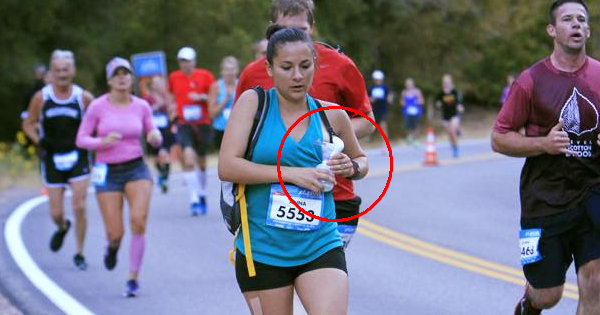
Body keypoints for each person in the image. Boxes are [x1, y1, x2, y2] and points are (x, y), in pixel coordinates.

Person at [220, 25, 368, 315]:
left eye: (305, 65)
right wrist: (291, 174)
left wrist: (350, 167)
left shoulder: (332, 115)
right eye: (286, 67)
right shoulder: (254, 104)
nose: (298, 76)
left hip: (320, 241)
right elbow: (227, 166)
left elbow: (361, 161)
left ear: (315, 62)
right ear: (269, 67)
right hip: (264, 246)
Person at [235, 0, 375, 249]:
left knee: (321, 278)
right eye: (282, 31)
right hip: (268, 198)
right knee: (282, 279)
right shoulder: (253, 74)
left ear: (312, 27)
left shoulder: (340, 65)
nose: (291, 38)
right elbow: (238, 142)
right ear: (271, 29)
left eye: (300, 30)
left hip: (334, 194)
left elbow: (366, 121)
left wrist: (324, 138)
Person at [491, 1, 600, 314]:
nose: (576, 24)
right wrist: (544, 144)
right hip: (544, 198)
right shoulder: (531, 80)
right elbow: (499, 138)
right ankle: (529, 305)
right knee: (548, 295)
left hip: (593, 192)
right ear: (552, 30)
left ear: (588, 30)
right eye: (567, 19)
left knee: (594, 282)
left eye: (581, 20)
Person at [76, 57, 162, 297]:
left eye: (126, 73)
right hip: (107, 172)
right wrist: (101, 142)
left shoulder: (141, 106)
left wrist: (155, 136)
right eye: (117, 74)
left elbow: (152, 130)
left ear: (132, 78)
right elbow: (81, 139)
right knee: (116, 233)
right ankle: (112, 247)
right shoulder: (97, 107)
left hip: (136, 168)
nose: (122, 77)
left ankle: (133, 278)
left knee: (138, 219)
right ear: (109, 80)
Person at [22, 49, 94, 270]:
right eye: (57, 70)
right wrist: (38, 140)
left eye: (66, 69)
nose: (62, 74)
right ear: (51, 73)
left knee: (79, 205)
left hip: (78, 156)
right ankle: (63, 227)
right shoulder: (41, 98)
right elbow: (28, 123)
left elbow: (98, 121)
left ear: (73, 71)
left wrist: (95, 142)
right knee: (56, 213)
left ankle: (79, 253)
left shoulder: (83, 97)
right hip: (52, 157)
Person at [169, 46, 216, 215]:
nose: (185, 64)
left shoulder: (206, 75)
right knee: (188, 158)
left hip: (202, 122)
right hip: (184, 124)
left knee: (201, 161)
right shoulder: (174, 77)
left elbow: (213, 96)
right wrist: (172, 109)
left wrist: (201, 97)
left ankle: (202, 192)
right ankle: (194, 198)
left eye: (188, 60)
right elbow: (171, 96)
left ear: (194, 61)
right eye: (182, 61)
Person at [145, 75, 176, 193]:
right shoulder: (148, 98)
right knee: (157, 157)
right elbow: (145, 112)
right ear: (152, 85)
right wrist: (157, 105)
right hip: (153, 130)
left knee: (165, 154)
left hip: (166, 129)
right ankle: (161, 175)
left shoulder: (167, 97)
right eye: (156, 83)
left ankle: (164, 179)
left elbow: (172, 111)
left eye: (160, 83)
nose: (158, 85)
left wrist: (172, 109)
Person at [208, 56, 239, 149]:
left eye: (232, 69)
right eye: (227, 69)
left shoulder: (241, 84)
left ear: (237, 70)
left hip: (238, 128)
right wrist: (226, 99)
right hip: (220, 129)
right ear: (222, 71)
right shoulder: (216, 87)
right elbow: (212, 113)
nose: (229, 72)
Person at [435, 73, 464, 158]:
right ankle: (453, 146)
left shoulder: (454, 92)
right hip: (445, 116)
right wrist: (438, 104)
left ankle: (456, 149)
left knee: (452, 131)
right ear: (443, 83)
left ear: (451, 82)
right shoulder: (440, 93)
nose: (446, 83)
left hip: (454, 115)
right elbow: (436, 102)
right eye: (445, 82)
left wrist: (460, 106)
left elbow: (459, 101)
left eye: (448, 82)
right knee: (449, 134)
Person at [369, 70, 392, 143]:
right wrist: (371, 99)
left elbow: (389, 97)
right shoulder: (371, 88)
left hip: (383, 109)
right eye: (376, 80)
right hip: (374, 109)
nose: (378, 81)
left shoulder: (385, 88)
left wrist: (389, 99)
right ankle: (368, 141)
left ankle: (385, 142)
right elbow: (368, 99)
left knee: (383, 125)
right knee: (370, 125)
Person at [400, 77, 424, 145]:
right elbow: (402, 102)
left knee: (416, 125)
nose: (409, 86)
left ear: (413, 84)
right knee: (408, 126)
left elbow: (421, 101)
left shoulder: (417, 91)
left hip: (416, 111)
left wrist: (417, 102)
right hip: (407, 112)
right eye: (407, 84)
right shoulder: (404, 92)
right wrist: (404, 103)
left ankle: (416, 139)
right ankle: (410, 137)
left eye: (410, 84)